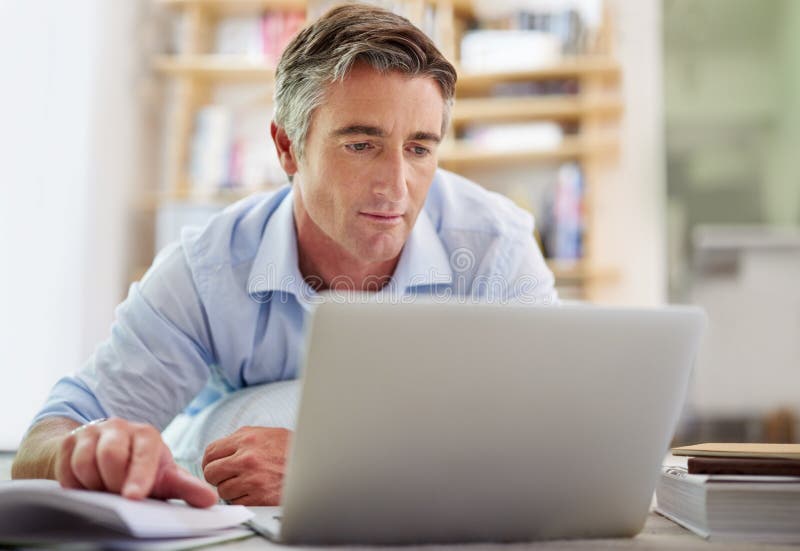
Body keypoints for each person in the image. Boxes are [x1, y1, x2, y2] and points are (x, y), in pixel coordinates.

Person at [12, 4, 557, 507]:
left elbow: (550, 441)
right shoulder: (208, 271)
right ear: (287, 147)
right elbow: (49, 435)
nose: (396, 185)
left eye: (419, 148)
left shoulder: (495, 249)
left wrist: (330, 464)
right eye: (361, 144)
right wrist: (85, 453)